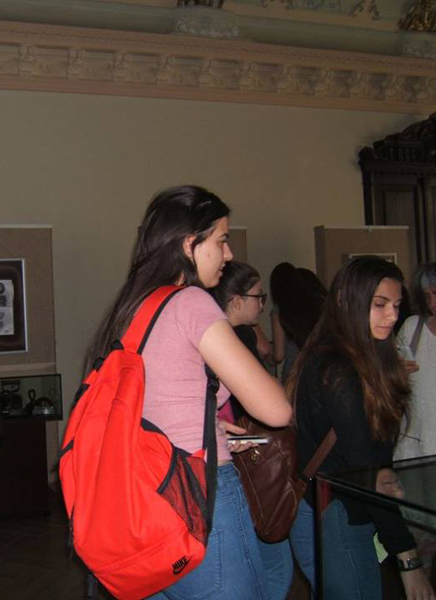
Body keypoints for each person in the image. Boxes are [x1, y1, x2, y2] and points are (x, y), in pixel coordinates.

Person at [86, 185, 291, 600]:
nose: (228, 254)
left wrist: (204, 419)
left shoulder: (131, 306)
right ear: (188, 244)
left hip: (141, 496)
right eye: (221, 240)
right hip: (197, 491)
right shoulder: (192, 302)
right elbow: (276, 410)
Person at [287, 256, 434, 600]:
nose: (392, 316)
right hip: (338, 509)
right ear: (345, 301)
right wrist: (408, 559)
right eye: (379, 304)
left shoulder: (353, 355)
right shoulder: (338, 367)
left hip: (336, 506)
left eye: (396, 305)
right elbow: (368, 468)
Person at [211, 260, 293, 600]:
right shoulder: (229, 338)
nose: (262, 304)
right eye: (258, 296)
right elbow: (273, 407)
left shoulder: (234, 334)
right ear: (235, 299)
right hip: (231, 462)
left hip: (232, 452)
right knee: (273, 564)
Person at [395, 259, 436, 460]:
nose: (433, 304)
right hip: (416, 453)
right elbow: (387, 386)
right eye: (427, 297)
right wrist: (395, 373)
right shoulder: (413, 329)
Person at [269, 262, 325, 382]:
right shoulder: (318, 304)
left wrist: (269, 360)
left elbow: (279, 355)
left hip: (294, 372)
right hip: (320, 369)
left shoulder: (279, 310)